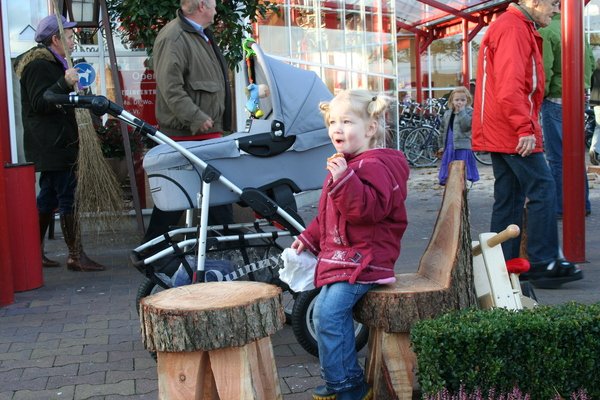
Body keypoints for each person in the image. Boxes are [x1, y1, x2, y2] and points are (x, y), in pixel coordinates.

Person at [290, 90, 409, 400]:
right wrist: (308, 237)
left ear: (370, 128)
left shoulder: (376, 165)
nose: (337, 129)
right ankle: (339, 381)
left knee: (328, 312)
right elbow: (330, 214)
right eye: (332, 122)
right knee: (322, 312)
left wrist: (344, 181)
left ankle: (348, 387)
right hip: (348, 258)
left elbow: (367, 210)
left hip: (368, 259)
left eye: (346, 121)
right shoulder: (348, 164)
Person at [472, 0, 582, 289]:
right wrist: (524, 127)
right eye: (554, 4)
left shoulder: (513, 26)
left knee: (508, 198)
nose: (557, 10)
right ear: (533, 2)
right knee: (543, 188)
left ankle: (502, 269)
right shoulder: (513, 29)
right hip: (511, 129)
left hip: (500, 127)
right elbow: (511, 87)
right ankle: (543, 260)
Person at [15, 14, 105, 271]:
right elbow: (41, 102)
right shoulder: (39, 65)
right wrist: (64, 82)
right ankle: (76, 255)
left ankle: (34, 253)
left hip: (55, 142)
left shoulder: (53, 62)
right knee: (67, 197)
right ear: (56, 39)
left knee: (48, 197)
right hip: (52, 144)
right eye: (68, 36)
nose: (73, 40)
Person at [143, 0, 234, 244]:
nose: (217, 8)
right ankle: (152, 249)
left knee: (210, 194)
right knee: (182, 195)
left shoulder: (199, 34)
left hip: (204, 133)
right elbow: (170, 88)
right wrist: (195, 116)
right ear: (202, 6)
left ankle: (225, 242)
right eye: (213, 4)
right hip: (189, 134)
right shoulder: (174, 37)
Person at [539, 12, 593, 218]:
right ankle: (583, 203)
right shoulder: (577, 29)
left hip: (555, 99)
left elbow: (545, 69)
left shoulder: (546, 30)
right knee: (576, 156)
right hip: (578, 98)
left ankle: (561, 207)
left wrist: (539, 96)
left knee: (557, 158)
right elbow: (589, 61)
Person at [437, 86, 479, 186]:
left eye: (462, 100)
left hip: (462, 147)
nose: (459, 102)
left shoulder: (470, 112)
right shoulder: (448, 113)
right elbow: (442, 130)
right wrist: (441, 146)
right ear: (452, 100)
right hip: (449, 147)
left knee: (461, 171)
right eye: (456, 100)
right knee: (450, 171)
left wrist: (462, 112)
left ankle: (462, 189)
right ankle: (452, 190)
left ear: (467, 101)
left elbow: (466, 126)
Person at [589, 59, 600, 165]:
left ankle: (595, 149)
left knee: (598, 127)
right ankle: (595, 149)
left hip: (595, 103)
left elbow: (591, 87)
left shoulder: (594, 73)